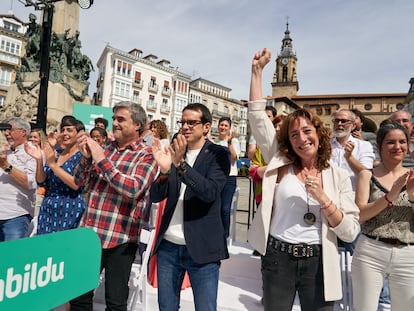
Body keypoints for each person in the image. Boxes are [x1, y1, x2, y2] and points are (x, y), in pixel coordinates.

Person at [248, 48, 360, 311]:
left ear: (319, 135)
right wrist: (257, 72)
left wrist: (323, 199)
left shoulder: (338, 175)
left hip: (319, 262)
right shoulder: (281, 160)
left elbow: (350, 231)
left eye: (307, 131)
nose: (301, 139)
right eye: (294, 134)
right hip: (277, 258)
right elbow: (256, 117)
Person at [70, 101, 157, 311]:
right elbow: (79, 181)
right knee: (79, 298)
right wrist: (86, 158)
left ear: (137, 125)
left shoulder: (147, 154)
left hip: (121, 239)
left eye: (121, 119)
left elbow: (133, 188)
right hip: (90, 234)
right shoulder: (104, 148)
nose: (115, 123)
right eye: (114, 118)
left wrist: (100, 160)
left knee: (115, 302)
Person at [150, 103, 230, 311]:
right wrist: (165, 171)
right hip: (168, 246)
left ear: (206, 127)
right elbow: (155, 196)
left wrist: (181, 166)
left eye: (192, 122)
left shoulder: (218, 154)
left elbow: (210, 191)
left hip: (203, 248)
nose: (185, 126)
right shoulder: (176, 152)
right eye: (183, 122)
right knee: (166, 307)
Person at [352, 121, 414, 311]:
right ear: (379, 146)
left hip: (407, 254)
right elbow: (360, 214)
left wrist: (411, 197)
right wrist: (390, 196)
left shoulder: (412, 177)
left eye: (402, 142)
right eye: (390, 142)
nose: (397, 147)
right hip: (371, 250)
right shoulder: (366, 175)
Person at [25, 117, 86, 235]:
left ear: (78, 134)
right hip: (48, 207)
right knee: (45, 247)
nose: (65, 133)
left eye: (69, 130)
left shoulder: (81, 156)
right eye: (63, 130)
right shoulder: (57, 154)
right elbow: (42, 182)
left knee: (62, 248)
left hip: (70, 207)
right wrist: (39, 160)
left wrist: (53, 165)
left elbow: (76, 184)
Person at [0, 117, 37, 241]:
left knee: (12, 258)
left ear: (23, 132)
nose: (6, 133)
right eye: (5, 130)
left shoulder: (33, 153)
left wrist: (6, 166)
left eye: (10, 130)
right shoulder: (5, 153)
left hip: (16, 216)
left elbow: (31, 183)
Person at [330, 109, 375, 194]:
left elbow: (366, 175)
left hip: (353, 198)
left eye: (343, 121)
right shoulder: (324, 146)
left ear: (353, 125)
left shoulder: (364, 146)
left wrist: (350, 158)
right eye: (336, 121)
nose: (339, 124)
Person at [216, 116, 240, 238]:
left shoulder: (234, 142)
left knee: (225, 209)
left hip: (229, 178)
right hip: (216, 178)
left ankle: (224, 236)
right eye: (221, 125)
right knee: (215, 209)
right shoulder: (214, 141)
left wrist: (229, 143)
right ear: (218, 126)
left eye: (226, 126)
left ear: (229, 128)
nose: (223, 127)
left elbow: (234, 158)